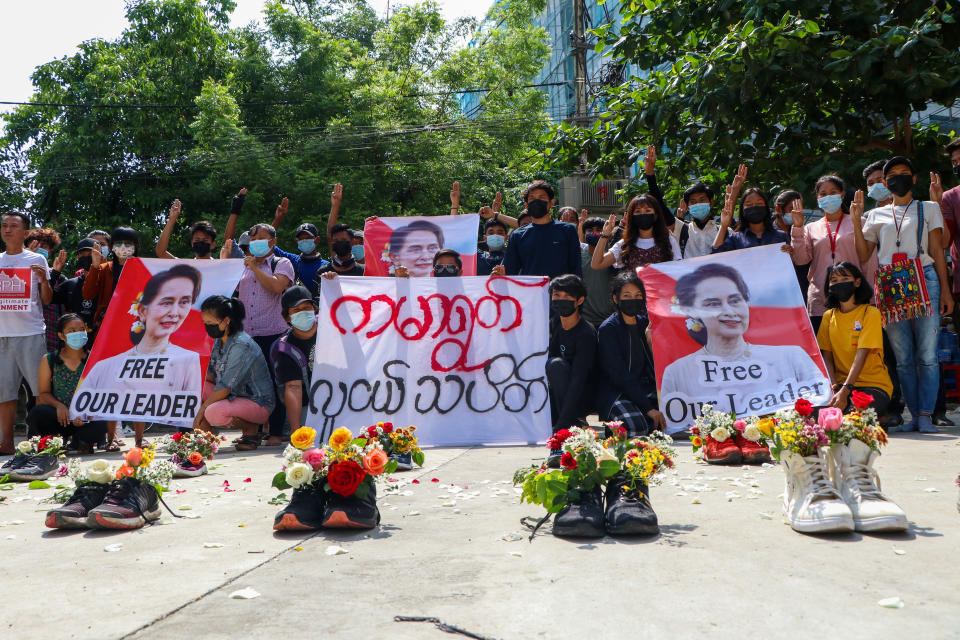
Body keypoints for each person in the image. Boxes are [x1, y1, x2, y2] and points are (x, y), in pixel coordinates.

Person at [660, 263, 827, 453]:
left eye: (735, 300)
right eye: (713, 304)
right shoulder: (677, 372)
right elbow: (676, 427)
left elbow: (820, 403)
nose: (729, 311)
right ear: (693, 311)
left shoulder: (792, 357)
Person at [854, 156, 954, 433]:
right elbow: (864, 256)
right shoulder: (874, 215)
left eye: (905, 173)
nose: (899, 178)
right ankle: (913, 414)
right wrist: (854, 219)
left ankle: (925, 414)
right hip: (890, 283)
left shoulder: (928, 208)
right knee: (903, 357)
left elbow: (938, 249)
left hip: (926, 278)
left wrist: (946, 290)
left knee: (927, 354)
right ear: (885, 183)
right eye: (893, 175)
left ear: (914, 178)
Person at [80, 264, 203, 447]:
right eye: (166, 302)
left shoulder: (189, 360)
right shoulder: (103, 367)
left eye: (184, 301)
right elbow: (84, 410)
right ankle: (111, 438)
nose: (175, 312)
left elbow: (187, 412)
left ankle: (139, 439)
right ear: (143, 311)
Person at [788, 175, 877, 332]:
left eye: (833, 192)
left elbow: (869, 261)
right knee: (825, 350)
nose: (828, 197)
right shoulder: (810, 228)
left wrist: (870, 297)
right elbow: (801, 260)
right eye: (823, 194)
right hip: (821, 299)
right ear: (817, 198)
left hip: (855, 296)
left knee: (854, 347)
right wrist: (797, 227)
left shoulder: (859, 221)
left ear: (842, 195)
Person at [0, 212, 53, 455]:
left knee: (41, 392)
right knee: (5, 393)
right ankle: (7, 443)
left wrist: (44, 281)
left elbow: (47, 300)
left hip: (31, 334)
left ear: (25, 232)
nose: (7, 230)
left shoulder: (36, 260)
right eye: (4, 225)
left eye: (13, 226)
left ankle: (46, 443)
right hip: (2, 336)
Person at [237, 222, 294, 445]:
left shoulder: (283, 263)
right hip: (248, 335)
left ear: (273, 242)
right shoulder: (242, 265)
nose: (256, 242)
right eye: (253, 238)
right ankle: (252, 432)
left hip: (274, 334)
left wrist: (255, 268)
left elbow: (276, 287)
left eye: (261, 238)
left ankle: (276, 432)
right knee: (250, 385)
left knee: (274, 383)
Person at [197, 296, 275, 451]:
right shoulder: (218, 340)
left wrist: (201, 411)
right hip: (232, 397)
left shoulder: (241, 344)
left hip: (257, 402)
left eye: (211, 324)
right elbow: (213, 376)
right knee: (193, 386)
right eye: (205, 324)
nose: (207, 327)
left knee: (212, 412)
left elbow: (225, 387)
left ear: (226, 321)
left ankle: (251, 428)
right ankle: (205, 441)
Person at [817, 263, 892, 417]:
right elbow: (827, 358)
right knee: (814, 417)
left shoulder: (870, 313)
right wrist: (834, 389)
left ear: (857, 282)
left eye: (845, 278)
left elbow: (861, 355)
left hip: (872, 385)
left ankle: (881, 414)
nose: (839, 283)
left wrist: (846, 390)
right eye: (834, 280)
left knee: (852, 419)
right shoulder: (828, 316)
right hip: (840, 387)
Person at [595, 272, 665, 436]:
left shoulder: (644, 324)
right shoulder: (608, 329)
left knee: (671, 417)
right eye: (626, 295)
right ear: (616, 299)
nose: (632, 299)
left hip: (644, 388)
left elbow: (657, 363)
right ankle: (620, 424)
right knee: (637, 427)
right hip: (617, 391)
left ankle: (642, 418)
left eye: (638, 295)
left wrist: (650, 341)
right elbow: (619, 375)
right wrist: (649, 409)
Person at [27, 314, 106, 452]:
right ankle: (55, 440)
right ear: (61, 335)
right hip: (60, 416)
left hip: (85, 416)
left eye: (82, 329)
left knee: (100, 422)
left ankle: (83, 441)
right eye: (72, 331)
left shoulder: (94, 360)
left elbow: (102, 393)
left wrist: (84, 413)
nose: (78, 334)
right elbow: (43, 393)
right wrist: (59, 406)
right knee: (37, 413)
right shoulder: (49, 359)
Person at [545, 275, 597, 465]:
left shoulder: (586, 333)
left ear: (579, 301)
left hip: (583, 394)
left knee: (555, 365)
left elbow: (578, 380)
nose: (560, 300)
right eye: (557, 295)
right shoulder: (555, 325)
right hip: (561, 393)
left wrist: (560, 427)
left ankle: (565, 432)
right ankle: (569, 425)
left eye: (567, 296)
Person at [503, 180, 581, 278]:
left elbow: (576, 269)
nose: (537, 201)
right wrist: (499, 273)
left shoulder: (567, 230)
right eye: (532, 198)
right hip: (530, 291)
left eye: (541, 197)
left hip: (559, 292)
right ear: (526, 205)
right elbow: (509, 271)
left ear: (551, 202)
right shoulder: (517, 235)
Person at [592, 194, 681, 272]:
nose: (643, 214)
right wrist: (604, 235)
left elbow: (679, 271)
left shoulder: (669, 241)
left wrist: (658, 269)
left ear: (656, 215)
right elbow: (597, 264)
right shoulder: (625, 244)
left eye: (647, 211)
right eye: (638, 211)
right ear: (632, 217)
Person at [271, 286, 317, 433]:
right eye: (296, 310)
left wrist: (334, 282)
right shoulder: (285, 348)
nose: (303, 312)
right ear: (287, 317)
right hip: (309, 405)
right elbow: (293, 388)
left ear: (314, 309)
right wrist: (296, 433)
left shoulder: (332, 328)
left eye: (307, 308)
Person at [83, 226, 140, 332]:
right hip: (107, 326)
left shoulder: (142, 270)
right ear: (112, 247)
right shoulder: (104, 269)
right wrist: (95, 266)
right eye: (118, 243)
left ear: (135, 246)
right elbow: (87, 294)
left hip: (135, 325)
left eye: (128, 244)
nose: (123, 247)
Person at [713, 182, 789, 252]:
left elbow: (792, 262)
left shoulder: (781, 236)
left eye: (759, 203)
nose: (754, 207)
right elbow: (717, 254)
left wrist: (790, 253)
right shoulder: (735, 239)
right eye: (749, 205)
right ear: (742, 210)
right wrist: (723, 226)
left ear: (766, 207)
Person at [25, 227, 65, 353]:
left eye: (44, 246)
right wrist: (24, 262)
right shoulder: (17, 272)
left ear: (50, 251)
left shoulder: (60, 277)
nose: (38, 248)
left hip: (52, 338)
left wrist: (54, 275)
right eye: (36, 244)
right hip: (24, 337)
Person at [52, 238, 98, 329]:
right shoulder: (70, 284)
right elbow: (46, 299)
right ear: (78, 258)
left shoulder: (108, 281)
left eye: (91, 254)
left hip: (101, 337)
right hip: (74, 338)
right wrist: (55, 273)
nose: (87, 257)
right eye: (83, 255)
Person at [579, 217, 616, 326]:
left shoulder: (611, 259)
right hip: (584, 320)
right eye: (590, 231)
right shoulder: (577, 259)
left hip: (609, 320)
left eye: (599, 230)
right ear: (584, 234)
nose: (595, 233)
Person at [155, 199, 220, 260]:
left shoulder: (220, 267)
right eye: (197, 239)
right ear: (192, 243)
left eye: (205, 240)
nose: (201, 243)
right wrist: (171, 220)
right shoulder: (185, 267)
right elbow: (161, 252)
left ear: (213, 244)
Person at [672, 182, 719, 259]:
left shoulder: (723, 231)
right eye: (693, 202)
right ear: (687, 207)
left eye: (702, 200)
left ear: (711, 203)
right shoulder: (682, 231)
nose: (698, 204)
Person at [315, 223, 364, 289]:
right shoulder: (323, 272)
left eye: (343, 240)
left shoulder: (363, 271)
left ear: (352, 242)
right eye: (336, 241)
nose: (340, 243)